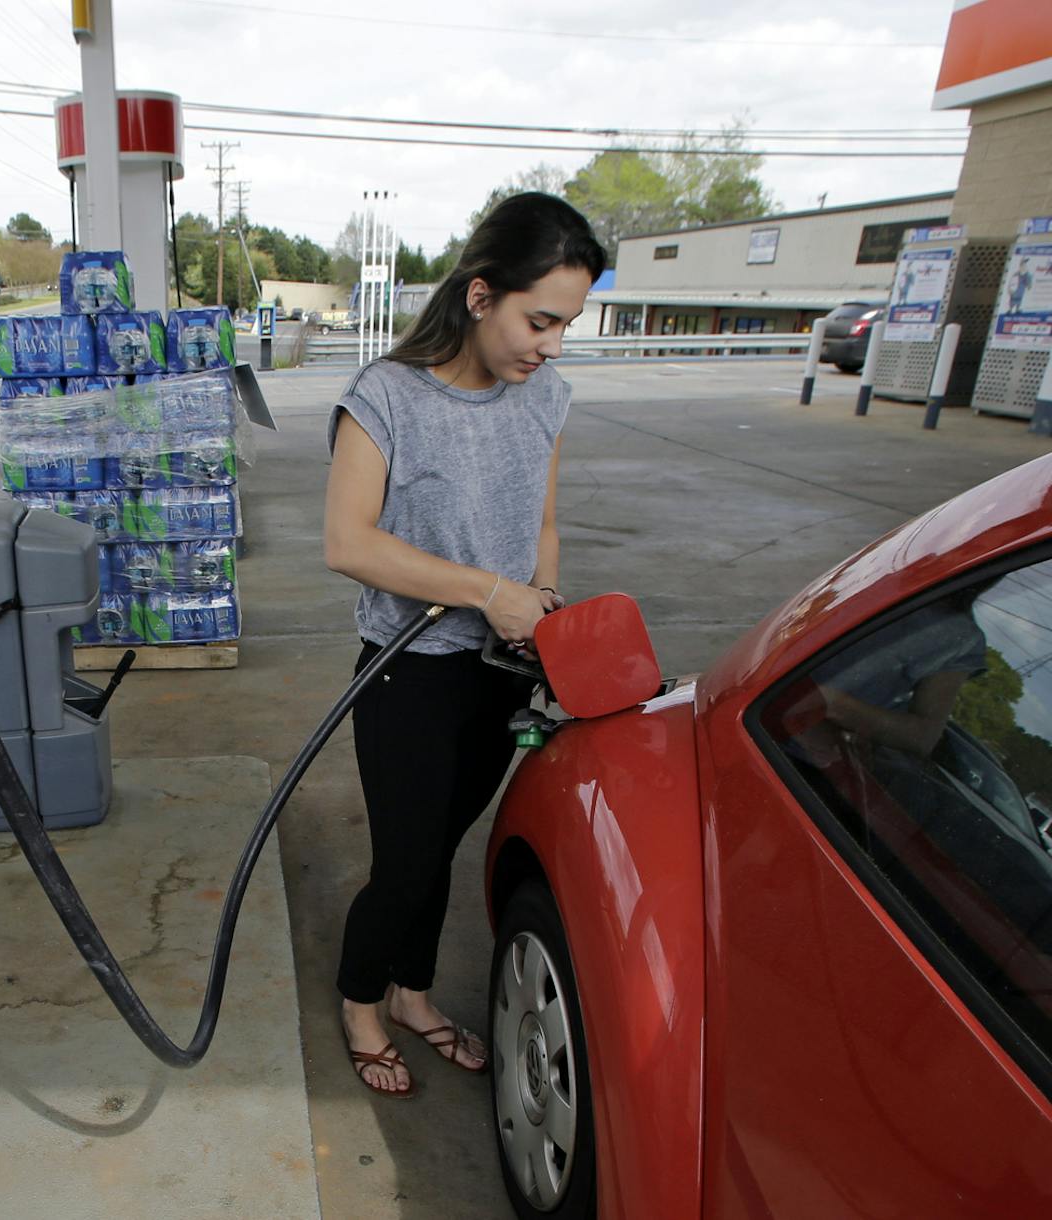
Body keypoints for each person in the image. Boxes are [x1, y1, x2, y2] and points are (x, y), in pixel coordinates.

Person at [321, 192, 607, 1097]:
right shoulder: (386, 397)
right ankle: (361, 1003)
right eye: (541, 319)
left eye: (566, 324)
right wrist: (490, 592)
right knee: (405, 861)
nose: (551, 344)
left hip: (499, 674)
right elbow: (349, 543)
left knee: (442, 848)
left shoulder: (545, 398)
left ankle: (411, 992)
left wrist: (541, 604)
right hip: (407, 671)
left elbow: (544, 522)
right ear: (481, 295)